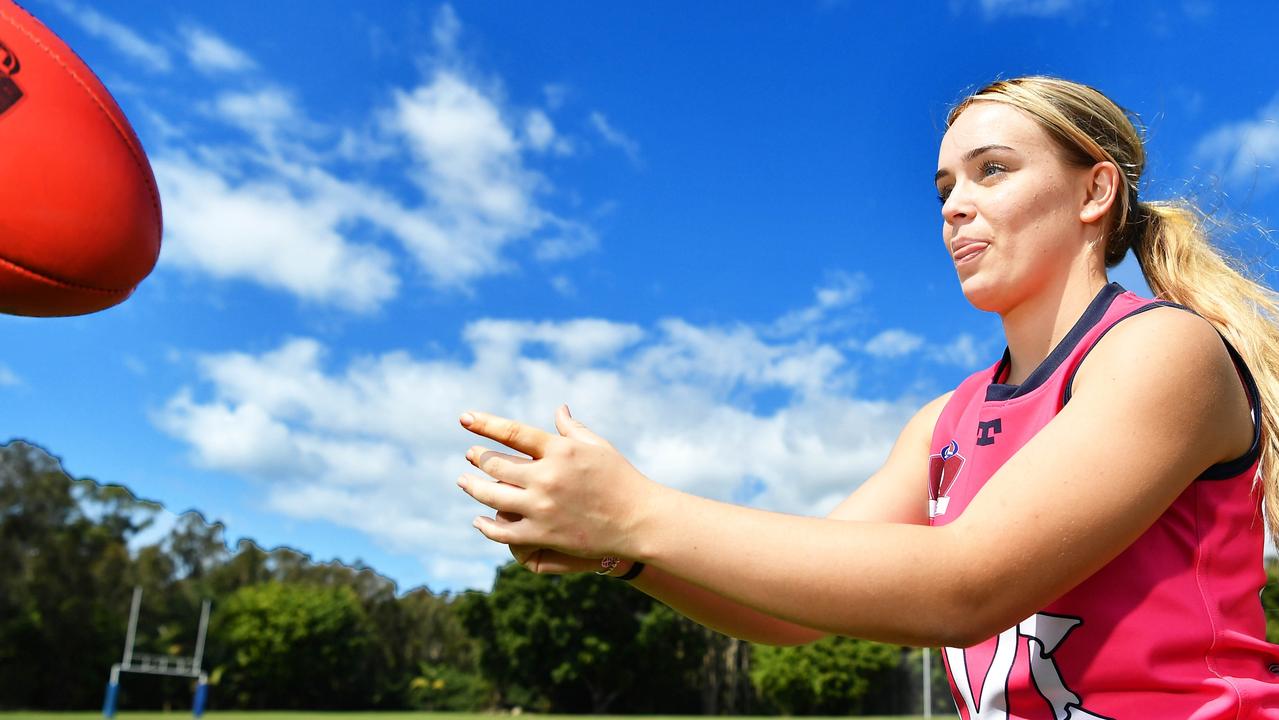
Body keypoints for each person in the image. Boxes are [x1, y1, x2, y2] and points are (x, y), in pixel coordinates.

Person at [455, 75, 1279, 718]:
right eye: (943, 187)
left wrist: (637, 511)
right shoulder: (942, 424)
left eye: (992, 170)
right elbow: (796, 614)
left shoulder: (1158, 351)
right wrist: (624, 552)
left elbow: (965, 586)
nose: (956, 205)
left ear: (1094, 193)